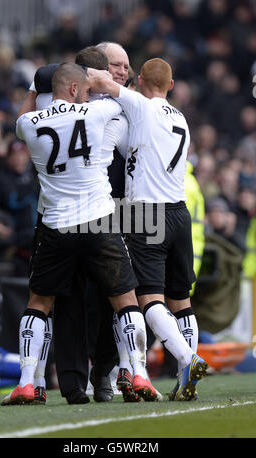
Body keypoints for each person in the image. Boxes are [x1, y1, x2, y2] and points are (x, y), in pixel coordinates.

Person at [1, 62, 158, 406]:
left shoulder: (30, 123)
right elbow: (137, 104)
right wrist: (106, 82)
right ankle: (140, 374)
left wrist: (33, 87)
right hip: (98, 221)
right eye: (85, 89)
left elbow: (19, 119)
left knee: (39, 302)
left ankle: (27, 384)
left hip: (56, 227)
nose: (90, 94)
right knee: (125, 299)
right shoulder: (96, 113)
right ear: (75, 89)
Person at [88, 57, 209, 401]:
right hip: (179, 212)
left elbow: (102, 83)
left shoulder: (140, 106)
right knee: (181, 300)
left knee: (148, 298)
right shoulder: (181, 118)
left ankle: (188, 360)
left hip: (146, 215)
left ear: (140, 80)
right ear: (171, 86)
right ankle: (188, 380)